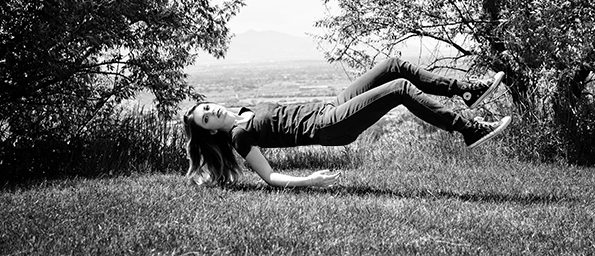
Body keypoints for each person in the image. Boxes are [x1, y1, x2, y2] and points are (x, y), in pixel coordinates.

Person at [183, 57, 511, 188]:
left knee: (393, 66)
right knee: (399, 89)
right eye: (206, 118)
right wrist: (308, 180)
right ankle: (467, 128)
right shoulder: (240, 135)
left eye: (207, 108)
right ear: (210, 130)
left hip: (330, 106)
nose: (213, 112)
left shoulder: (244, 112)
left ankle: (464, 90)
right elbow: (269, 177)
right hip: (328, 126)